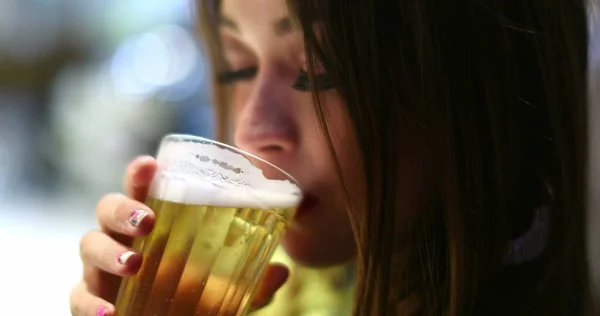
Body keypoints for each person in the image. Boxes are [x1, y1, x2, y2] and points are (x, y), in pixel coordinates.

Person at [70, 0, 593, 315]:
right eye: (238, 66)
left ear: (481, 85)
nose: (252, 128)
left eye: (317, 68)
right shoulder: (259, 284)